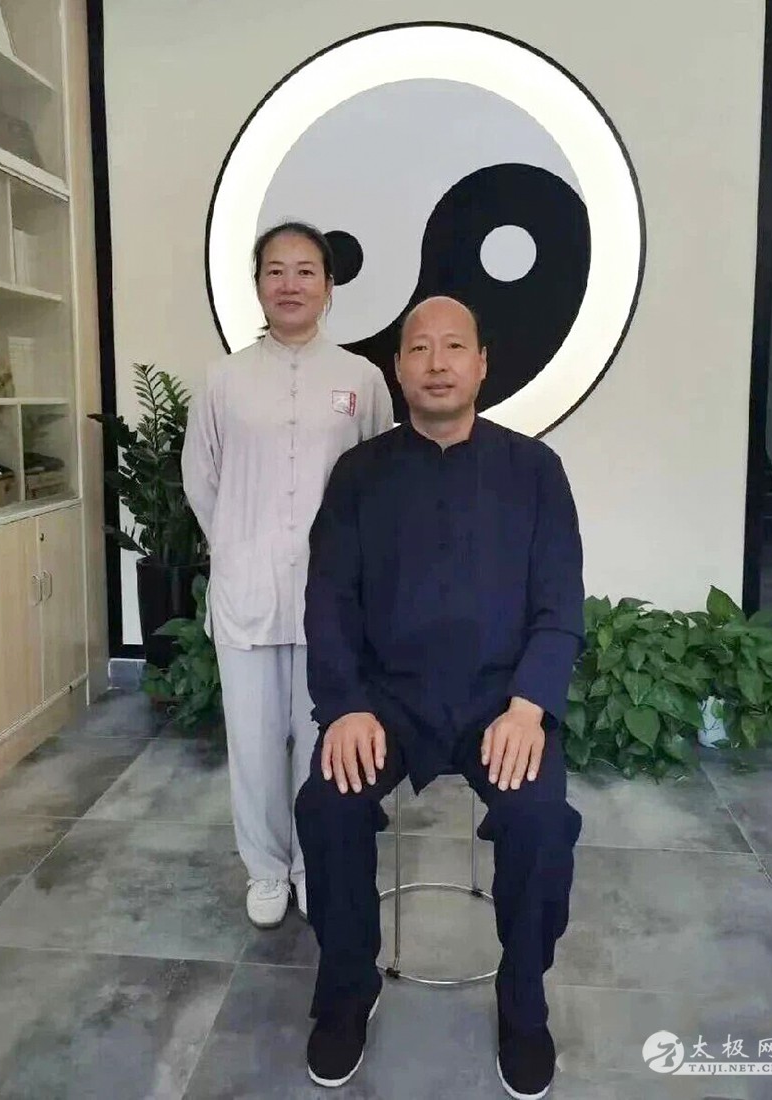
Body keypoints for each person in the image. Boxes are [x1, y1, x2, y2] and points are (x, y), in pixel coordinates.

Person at [295, 296, 584, 1098]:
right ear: (398, 369)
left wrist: (529, 706)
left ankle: (523, 1001)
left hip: (500, 701)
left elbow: (560, 605)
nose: (436, 363)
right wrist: (344, 706)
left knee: (539, 820)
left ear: (482, 363)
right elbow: (329, 601)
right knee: (327, 804)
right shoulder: (360, 474)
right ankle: (348, 987)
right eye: (419, 348)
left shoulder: (535, 471)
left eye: (454, 346)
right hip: (388, 700)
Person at [182, 221, 393, 930]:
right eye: (276, 270)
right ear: (258, 284)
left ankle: (313, 864)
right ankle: (267, 870)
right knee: (252, 743)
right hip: (248, 589)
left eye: (306, 271)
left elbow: (379, 484)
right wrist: (238, 545)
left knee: (321, 739)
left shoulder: (361, 380)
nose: (290, 284)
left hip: (333, 598)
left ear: (329, 287)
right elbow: (202, 478)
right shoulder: (224, 379)